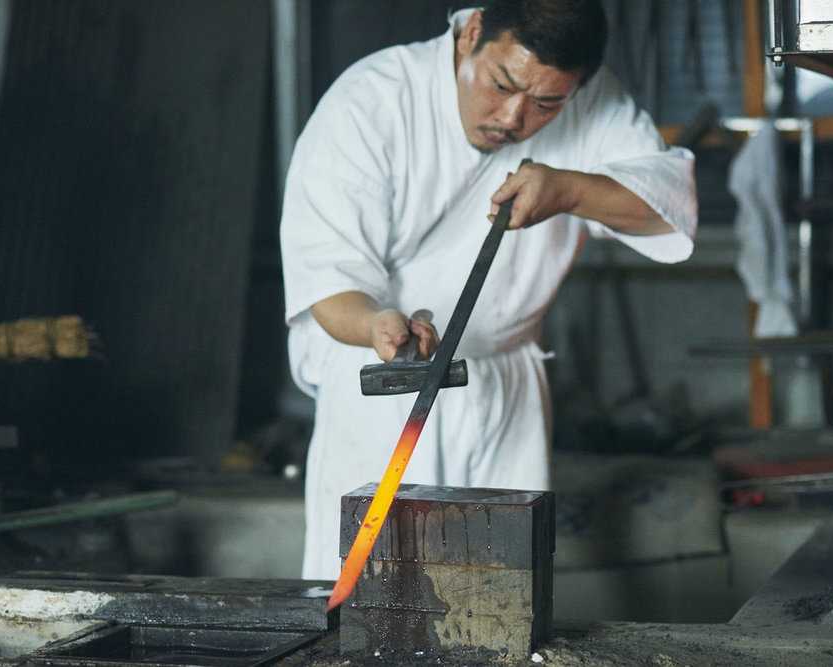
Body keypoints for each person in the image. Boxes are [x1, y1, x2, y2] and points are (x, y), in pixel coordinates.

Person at [280, 0, 697, 580]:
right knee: (372, 596)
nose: (512, 117)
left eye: (547, 104)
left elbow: (669, 207)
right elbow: (327, 278)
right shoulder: (372, 100)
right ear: (472, 33)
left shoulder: (592, 97)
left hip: (508, 383)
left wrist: (573, 189)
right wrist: (376, 325)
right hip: (386, 389)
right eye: (502, 84)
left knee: (502, 597)